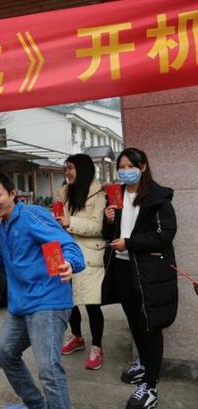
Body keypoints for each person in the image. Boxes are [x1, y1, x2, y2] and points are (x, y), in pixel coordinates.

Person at [0, 172, 85, 409]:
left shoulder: (32, 215)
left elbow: (66, 244)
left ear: (13, 194)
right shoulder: (4, 227)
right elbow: (5, 259)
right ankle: (35, 404)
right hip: (20, 304)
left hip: (47, 302)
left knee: (49, 369)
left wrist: (70, 263)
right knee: (5, 353)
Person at [102, 148, 177, 409]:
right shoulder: (116, 195)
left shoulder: (158, 197)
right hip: (122, 270)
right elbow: (109, 235)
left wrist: (130, 243)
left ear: (143, 167)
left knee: (150, 327)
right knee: (134, 321)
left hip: (148, 273)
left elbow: (164, 235)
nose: (124, 170)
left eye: (130, 166)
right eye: (120, 166)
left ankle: (150, 386)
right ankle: (144, 365)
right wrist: (108, 219)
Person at [56, 154, 107, 370]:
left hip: (90, 255)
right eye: (65, 168)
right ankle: (76, 336)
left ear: (83, 169)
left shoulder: (99, 193)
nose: (67, 173)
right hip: (66, 251)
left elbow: (98, 227)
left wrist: (70, 222)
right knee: (70, 301)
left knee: (92, 303)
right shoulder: (64, 192)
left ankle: (97, 346)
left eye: (70, 168)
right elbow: (58, 218)